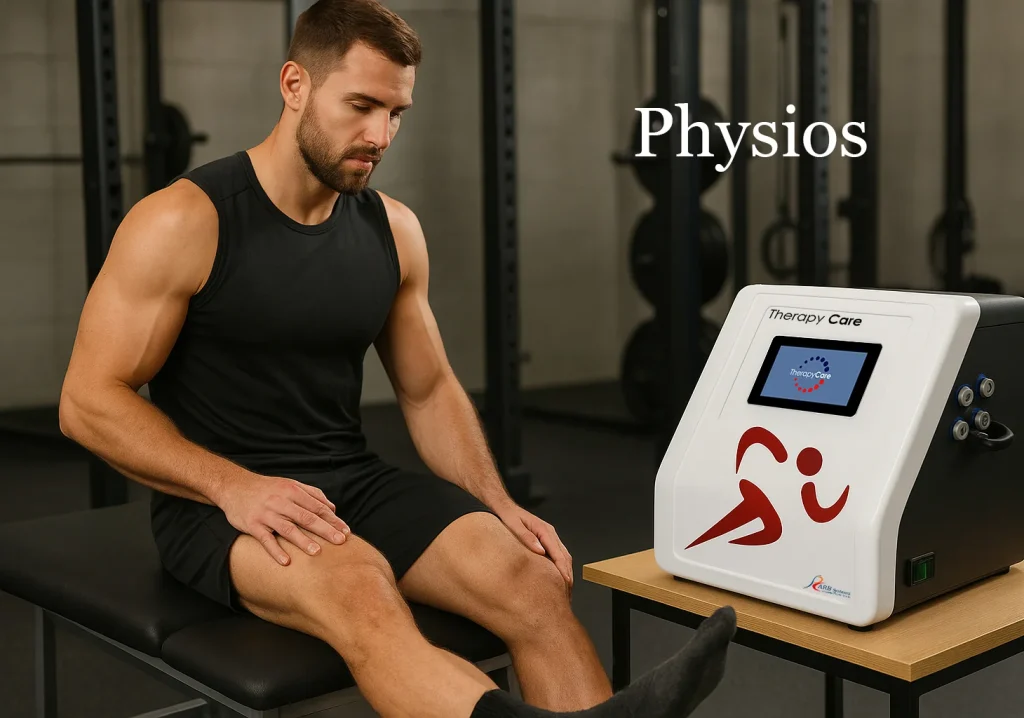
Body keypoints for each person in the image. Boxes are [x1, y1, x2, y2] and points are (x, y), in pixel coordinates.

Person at [58, 1, 736, 716]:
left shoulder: (392, 231)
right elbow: (87, 402)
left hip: (351, 478)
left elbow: (427, 389)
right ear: (295, 85)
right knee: (362, 588)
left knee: (531, 579)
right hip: (219, 506)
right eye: (361, 106)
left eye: (396, 112)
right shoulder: (185, 220)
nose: (379, 135)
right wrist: (234, 487)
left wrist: (496, 501)